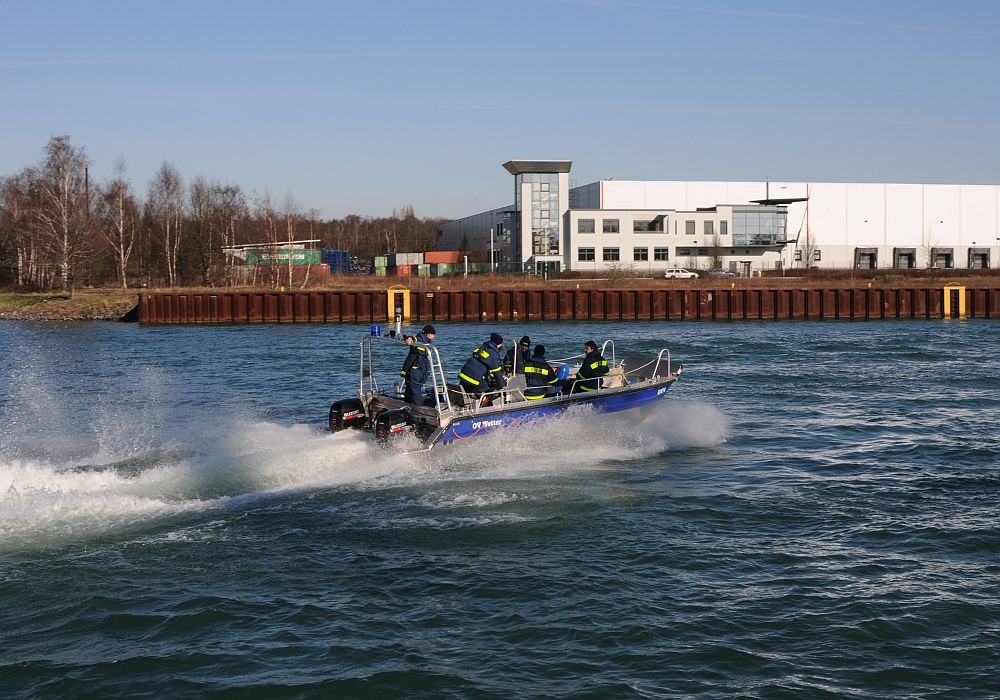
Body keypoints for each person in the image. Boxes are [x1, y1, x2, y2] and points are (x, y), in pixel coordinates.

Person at [458, 332, 506, 401]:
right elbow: (497, 374)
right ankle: (488, 408)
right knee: (488, 395)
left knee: (468, 394)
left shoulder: (482, 347)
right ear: (498, 344)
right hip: (475, 379)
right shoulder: (493, 354)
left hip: (463, 376)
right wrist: (504, 387)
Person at [401, 325, 436, 404]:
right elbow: (414, 338)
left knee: (410, 391)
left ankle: (408, 405)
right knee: (415, 391)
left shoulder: (426, 342)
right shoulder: (420, 339)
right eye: (434, 335)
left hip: (419, 372)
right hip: (415, 371)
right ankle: (419, 409)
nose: (434, 337)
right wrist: (410, 338)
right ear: (430, 334)